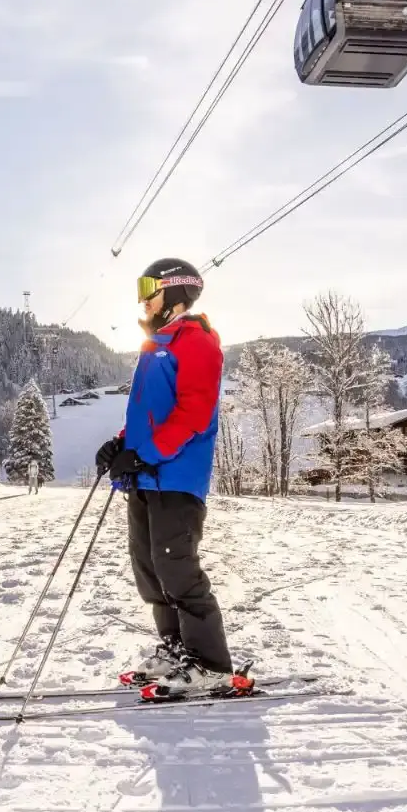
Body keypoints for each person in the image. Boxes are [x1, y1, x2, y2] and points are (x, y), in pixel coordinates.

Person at [94, 258, 234, 697]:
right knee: (150, 569)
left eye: (149, 287)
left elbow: (192, 413)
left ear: (174, 292)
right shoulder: (159, 345)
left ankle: (212, 665)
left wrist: (146, 454)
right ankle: (176, 649)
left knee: (178, 568)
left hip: (176, 476)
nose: (142, 297)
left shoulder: (196, 342)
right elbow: (150, 414)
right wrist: (121, 444)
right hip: (148, 476)